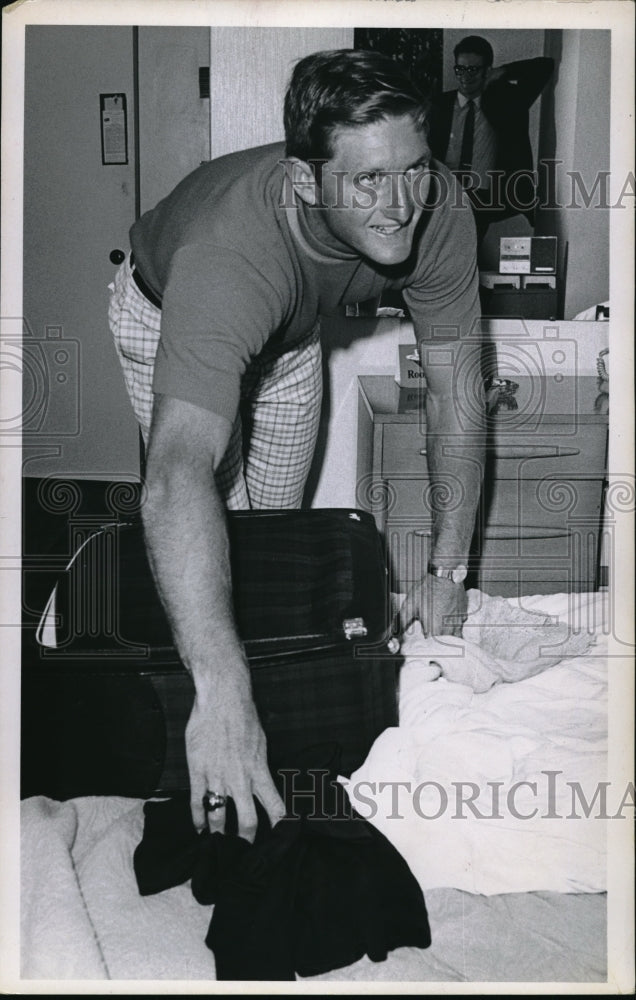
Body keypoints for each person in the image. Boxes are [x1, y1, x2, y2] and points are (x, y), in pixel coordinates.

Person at [108, 48, 485, 843]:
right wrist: (222, 689)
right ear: (308, 181)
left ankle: (266, 711)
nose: (401, 205)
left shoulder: (438, 204)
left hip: (290, 335)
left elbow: (456, 395)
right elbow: (178, 477)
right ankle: (214, 721)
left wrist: (448, 570)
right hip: (166, 309)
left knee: (267, 543)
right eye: (368, 182)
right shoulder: (230, 256)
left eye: (412, 170)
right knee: (207, 523)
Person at [428, 35, 554, 242]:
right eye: (460, 69)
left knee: (470, 255)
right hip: (444, 196)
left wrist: (503, 71)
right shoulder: (439, 105)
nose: (465, 76)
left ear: (487, 70)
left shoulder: (506, 101)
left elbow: (544, 66)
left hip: (484, 198)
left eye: (473, 70)